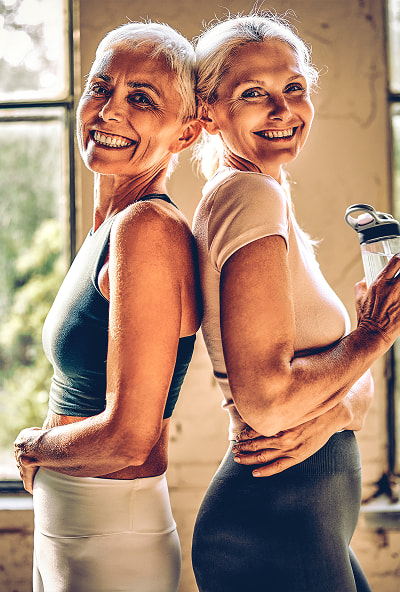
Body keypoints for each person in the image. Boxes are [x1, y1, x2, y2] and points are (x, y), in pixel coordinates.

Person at [191, 12, 400, 592]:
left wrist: (335, 407)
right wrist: (371, 336)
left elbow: (345, 389)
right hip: (273, 524)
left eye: (294, 89)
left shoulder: (264, 191)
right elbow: (268, 402)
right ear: (209, 111)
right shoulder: (248, 195)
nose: (283, 110)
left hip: (304, 520)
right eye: (254, 94)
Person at [13, 21, 203, 592]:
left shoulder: (148, 228)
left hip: (110, 535)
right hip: (75, 525)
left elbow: (129, 438)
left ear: (186, 133)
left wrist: (33, 446)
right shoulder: (115, 223)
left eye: (141, 99)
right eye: (101, 87)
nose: (109, 111)